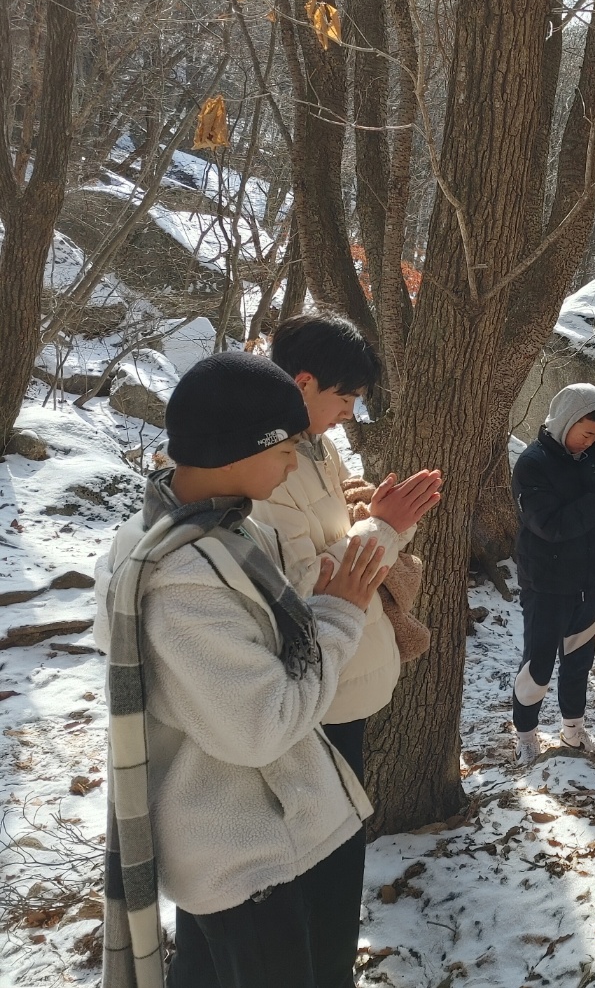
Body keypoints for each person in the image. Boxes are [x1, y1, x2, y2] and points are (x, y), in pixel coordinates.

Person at [94, 352, 389, 988]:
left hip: (238, 837)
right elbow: (262, 726)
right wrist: (340, 615)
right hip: (240, 856)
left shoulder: (203, 530)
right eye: (285, 449)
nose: (294, 463)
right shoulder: (181, 580)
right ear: (238, 449)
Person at [256, 314, 442, 779]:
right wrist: (384, 526)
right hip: (317, 686)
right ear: (304, 383)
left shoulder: (320, 447)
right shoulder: (265, 469)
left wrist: (384, 521)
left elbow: (348, 524)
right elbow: (303, 582)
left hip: (350, 664)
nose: (349, 413)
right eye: (345, 398)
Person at [512, 383, 595, 763]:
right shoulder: (532, 464)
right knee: (538, 664)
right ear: (566, 421)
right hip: (546, 584)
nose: (590, 441)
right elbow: (550, 525)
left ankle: (573, 730)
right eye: (586, 433)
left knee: (578, 662)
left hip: (586, 581)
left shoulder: (593, 460)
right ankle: (526, 735)